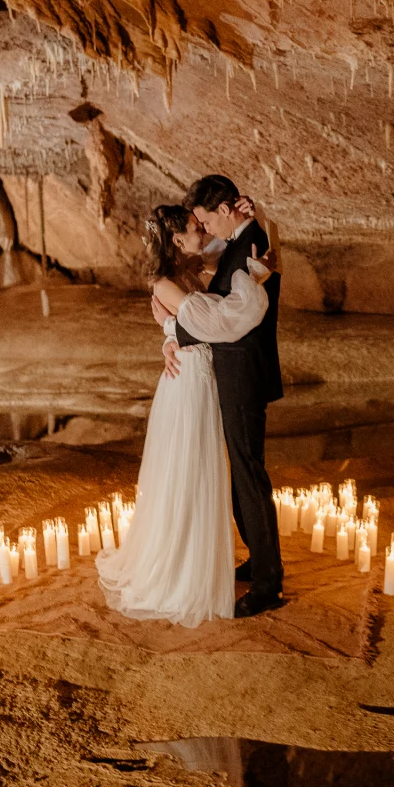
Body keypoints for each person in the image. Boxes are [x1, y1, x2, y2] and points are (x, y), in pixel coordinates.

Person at [95, 204, 273, 628]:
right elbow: (218, 322)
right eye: (196, 229)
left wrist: (252, 217)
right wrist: (254, 278)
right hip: (188, 383)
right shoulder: (167, 284)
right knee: (186, 473)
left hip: (199, 378)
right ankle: (178, 574)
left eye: (201, 225)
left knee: (202, 473)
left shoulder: (192, 273)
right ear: (176, 241)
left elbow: (220, 248)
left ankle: (203, 561)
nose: (203, 233)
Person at [153, 175, 284, 618]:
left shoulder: (252, 243)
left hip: (244, 374)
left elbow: (228, 320)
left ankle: (268, 582)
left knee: (249, 474)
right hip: (231, 373)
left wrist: (175, 332)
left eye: (207, 219)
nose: (205, 229)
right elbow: (192, 266)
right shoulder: (236, 242)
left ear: (226, 211)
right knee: (241, 473)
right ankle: (257, 559)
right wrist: (172, 335)